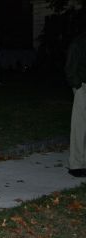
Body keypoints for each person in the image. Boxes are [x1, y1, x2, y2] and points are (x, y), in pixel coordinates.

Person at [65, 31, 86, 178]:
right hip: (83, 87)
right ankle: (77, 165)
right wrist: (77, 85)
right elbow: (70, 66)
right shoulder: (80, 41)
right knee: (80, 125)